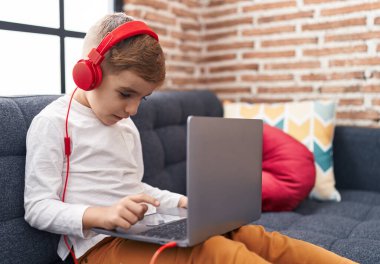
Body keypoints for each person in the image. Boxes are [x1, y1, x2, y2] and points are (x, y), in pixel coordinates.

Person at [24, 12, 356, 264]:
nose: (133, 110)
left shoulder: (125, 125)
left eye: (143, 98)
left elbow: (135, 188)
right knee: (215, 251)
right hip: (96, 247)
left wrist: (182, 203)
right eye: (126, 93)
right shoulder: (52, 123)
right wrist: (99, 215)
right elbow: (37, 207)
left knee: (250, 234)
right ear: (88, 73)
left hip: (141, 230)